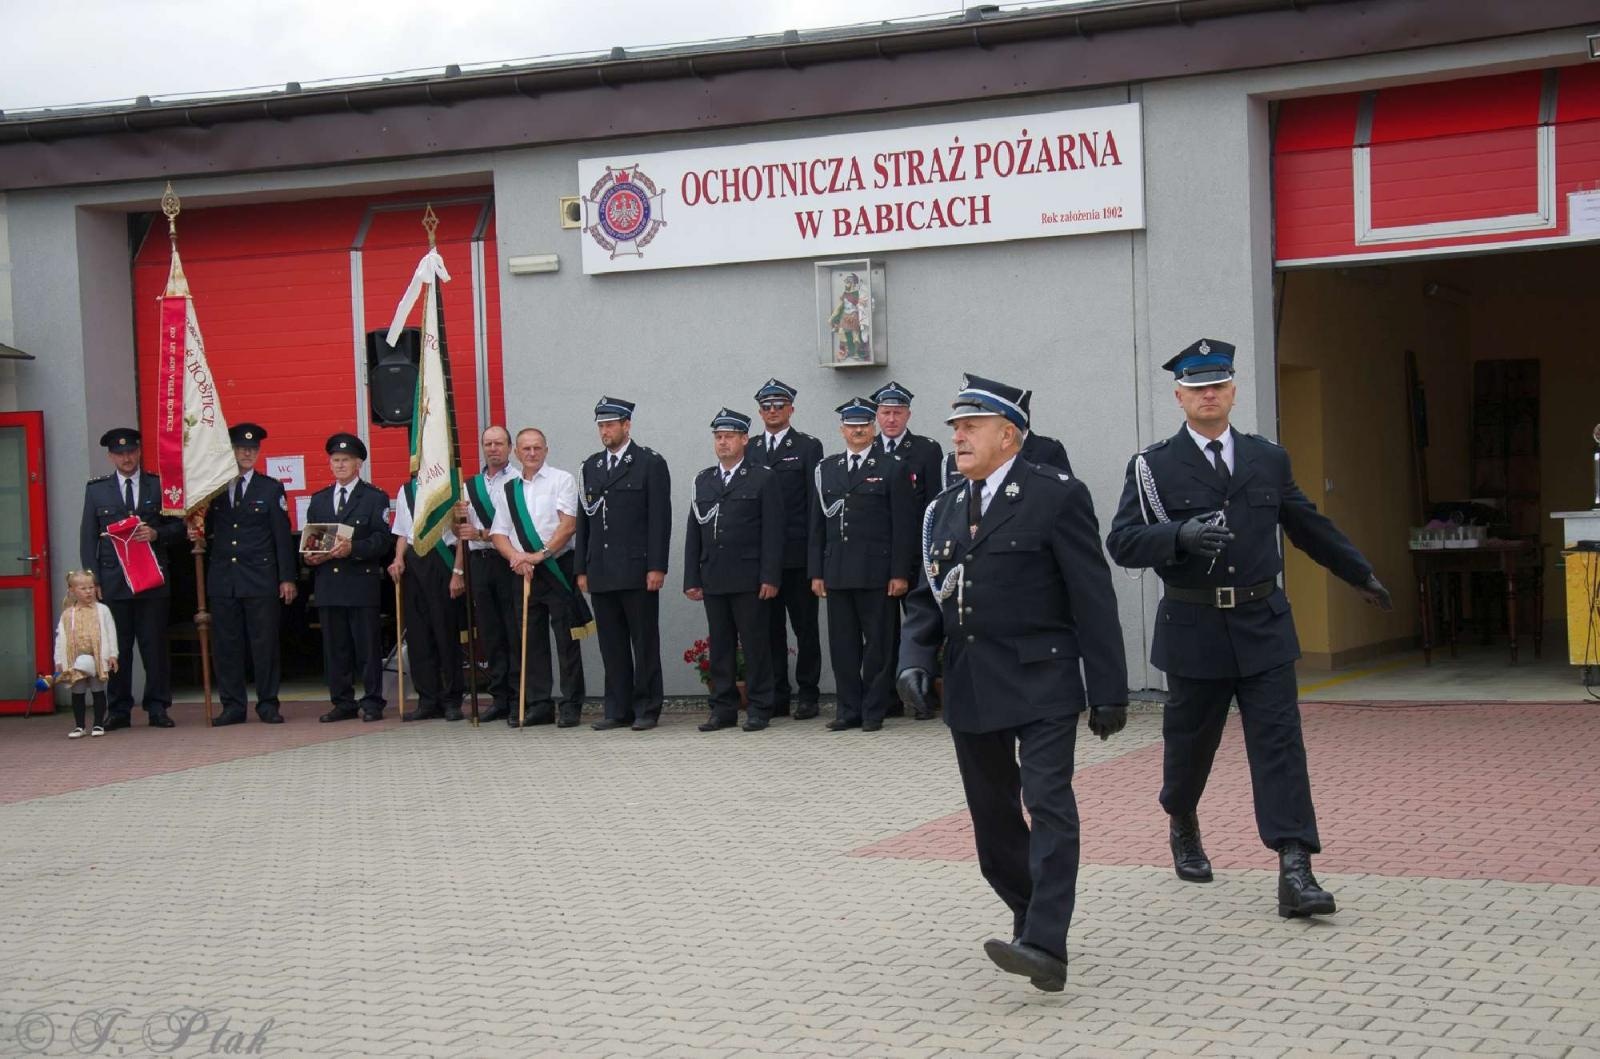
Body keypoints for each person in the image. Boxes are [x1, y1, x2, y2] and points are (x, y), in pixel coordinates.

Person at [1106, 338, 1393, 919]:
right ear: (1179, 397)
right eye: (1197, 387)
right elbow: (1123, 542)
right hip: (1194, 627)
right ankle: (1182, 819)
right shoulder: (1153, 466)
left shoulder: (1267, 458)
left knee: (1280, 745)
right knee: (1190, 747)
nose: (1208, 395)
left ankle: (1296, 868)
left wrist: (1357, 572)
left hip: (1263, 624)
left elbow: (1306, 524)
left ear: (1234, 391)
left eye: (1218, 385)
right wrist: (1179, 536)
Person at [897, 373, 1128, 992]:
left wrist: (1108, 689)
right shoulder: (944, 509)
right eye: (955, 428)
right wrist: (914, 658)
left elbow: (1093, 596)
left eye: (971, 427)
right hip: (973, 682)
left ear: (1009, 435)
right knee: (992, 815)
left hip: (1043, 677)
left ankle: (1047, 943)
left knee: (1048, 802)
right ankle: (1028, 913)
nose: (958, 438)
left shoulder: (1056, 495)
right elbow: (926, 596)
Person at [810, 397, 916, 732]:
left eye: (863, 425)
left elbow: (903, 526)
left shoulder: (892, 467)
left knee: (878, 647)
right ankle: (848, 710)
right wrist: (816, 572)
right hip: (837, 571)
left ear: (872, 428)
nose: (857, 431)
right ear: (842, 430)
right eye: (851, 426)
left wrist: (899, 572)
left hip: (877, 573)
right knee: (843, 647)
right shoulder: (827, 469)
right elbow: (817, 526)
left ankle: (874, 710)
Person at [575, 397, 673, 732]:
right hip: (601, 570)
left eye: (610, 425)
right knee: (611, 644)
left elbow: (659, 520)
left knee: (643, 643)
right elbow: (584, 521)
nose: (605, 431)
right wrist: (581, 568)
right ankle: (618, 708)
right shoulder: (591, 467)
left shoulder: (648, 463)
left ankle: (647, 707)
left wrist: (657, 566)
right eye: (601, 426)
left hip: (636, 570)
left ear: (626, 425)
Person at [684, 408, 783, 732]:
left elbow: (773, 532)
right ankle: (723, 707)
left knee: (755, 645)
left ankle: (760, 707)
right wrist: (692, 577)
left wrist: (770, 576)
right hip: (714, 575)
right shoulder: (704, 480)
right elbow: (694, 531)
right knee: (721, 645)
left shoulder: (762, 477)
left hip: (749, 577)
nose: (723, 442)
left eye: (729, 436)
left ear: (744, 440)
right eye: (718, 437)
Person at [79, 427, 184, 729]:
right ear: (111, 456)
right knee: (118, 648)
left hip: (151, 579)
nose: (126, 458)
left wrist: (156, 533)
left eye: (130, 452)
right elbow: (88, 538)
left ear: (138, 452)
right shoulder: (97, 490)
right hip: (114, 580)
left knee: (154, 647)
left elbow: (179, 528)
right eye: (119, 453)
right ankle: (119, 709)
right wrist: (93, 579)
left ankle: (158, 708)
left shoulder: (157, 485)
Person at [193, 422, 297, 725]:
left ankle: (268, 704)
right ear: (232, 451)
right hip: (225, 578)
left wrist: (287, 578)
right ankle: (233, 706)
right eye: (241, 448)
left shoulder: (270, 488)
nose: (247, 453)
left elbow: (281, 536)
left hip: (260, 577)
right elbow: (205, 529)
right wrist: (194, 530)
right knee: (227, 646)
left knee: (264, 645)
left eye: (252, 449)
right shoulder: (214, 488)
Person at [491, 428, 587, 728]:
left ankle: (571, 705)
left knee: (566, 640)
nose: (531, 453)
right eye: (526, 449)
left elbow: (568, 525)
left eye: (537, 448)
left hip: (557, 567)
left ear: (546, 450)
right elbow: (499, 533)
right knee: (530, 641)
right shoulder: (508, 489)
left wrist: (538, 555)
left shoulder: (562, 480)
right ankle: (539, 704)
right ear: (516, 453)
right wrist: (516, 558)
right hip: (524, 572)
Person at [748, 378, 823, 719]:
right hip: (762, 558)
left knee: (804, 629)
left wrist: (814, 559)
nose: (773, 411)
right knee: (768, 629)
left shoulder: (807, 447)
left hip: (796, 556)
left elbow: (814, 506)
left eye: (779, 406)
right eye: (766, 407)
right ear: (760, 412)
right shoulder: (750, 448)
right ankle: (777, 693)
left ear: (791, 409)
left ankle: (808, 694)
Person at [304, 433, 392, 723]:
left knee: (367, 647)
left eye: (346, 460)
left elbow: (382, 540)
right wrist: (310, 557)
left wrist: (353, 548)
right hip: (329, 584)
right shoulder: (319, 499)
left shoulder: (374, 497)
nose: (340, 465)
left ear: (358, 464)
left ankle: (372, 701)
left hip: (360, 583)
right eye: (335, 460)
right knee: (335, 649)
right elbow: (312, 540)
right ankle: (342, 701)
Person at [869, 380, 944, 718]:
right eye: (886, 412)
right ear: (877, 416)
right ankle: (888, 698)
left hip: (915, 555)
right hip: (878, 558)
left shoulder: (926, 450)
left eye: (897, 413)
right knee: (882, 633)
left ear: (908, 415)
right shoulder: (867, 449)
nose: (891, 419)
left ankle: (922, 697)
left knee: (921, 626)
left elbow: (934, 505)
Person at [389, 476, 467, 722]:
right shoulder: (406, 491)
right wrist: (398, 559)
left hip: (442, 561)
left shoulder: (452, 488)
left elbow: (462, 535)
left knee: (446, 634)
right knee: (418, 636)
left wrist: (458, 572)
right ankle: (427, 700)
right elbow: (403, 532)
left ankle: (452, 700)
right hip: (414, 563)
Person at [456, 426, 518, 724]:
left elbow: (518, 528)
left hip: (507, 561)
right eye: (488, 444)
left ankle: (519, 697)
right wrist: (457, 520)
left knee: (513, 631)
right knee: (490, 633)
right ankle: (499, 697)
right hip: (479, 562)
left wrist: (481, 533)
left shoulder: (519, 481)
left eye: (499, 443)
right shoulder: (470, 486)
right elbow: (459, 532)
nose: (493, 449)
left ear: (509, 447)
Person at [54, 569, 118, 738]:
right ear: (72, 590)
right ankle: (79, 726)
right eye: (83, 588)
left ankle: (98, 724)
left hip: (97, 658)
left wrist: (113, 655)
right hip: (75, 660)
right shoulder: (67, 614)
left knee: (98, 689)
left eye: (91, 587)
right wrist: (59, 660)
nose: (89, 591)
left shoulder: (102, 610)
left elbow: (111, 633)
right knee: (78, 691)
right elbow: (61, 638)